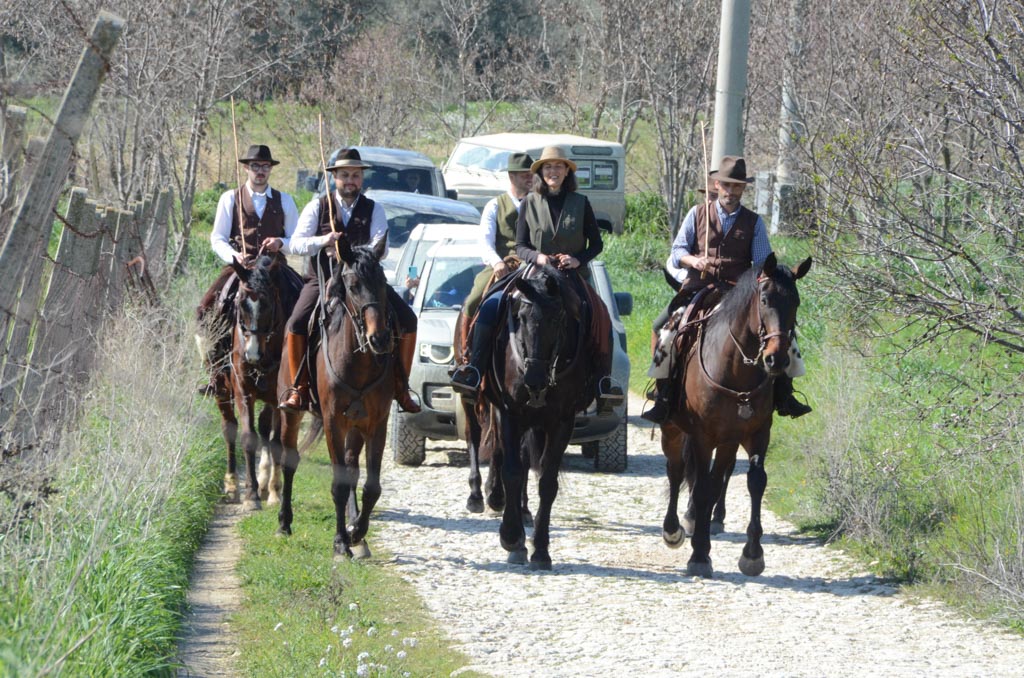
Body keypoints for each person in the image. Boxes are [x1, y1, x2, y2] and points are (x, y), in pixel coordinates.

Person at [642, 155, 811, 424]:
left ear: (744, 189)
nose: (731, 192)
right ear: (716, 185)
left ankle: (784, 394)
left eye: (737, 187)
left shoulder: (754, 222)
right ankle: (664, 393)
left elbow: (762, 263)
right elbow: (677, 252)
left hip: (738, 291)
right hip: (699, 286)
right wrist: (695, 260)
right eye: (727, 185)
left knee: (782, 332)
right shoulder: (697, 214)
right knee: (664, 328)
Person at [452, 145, 622, 411]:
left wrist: (578, 259)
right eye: (548, 167)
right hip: (535, 272)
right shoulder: (530, 202)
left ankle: (603, 381)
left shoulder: (581, 203)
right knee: (492, 305)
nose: (553, 172)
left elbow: (596, 244)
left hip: (570, 273)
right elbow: (520, 245)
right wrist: (538, 257)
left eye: (558, 166)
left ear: (567, 171)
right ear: (541, 172)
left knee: (600, 313)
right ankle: (475, 369)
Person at [277, 148, 421, 414]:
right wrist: (323, 241)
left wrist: (350, 253)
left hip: (363, 281)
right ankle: (299, 388)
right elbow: (294, 244)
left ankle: (401, 386)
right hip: (321, 279)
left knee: (408, 319)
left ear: (362, 178)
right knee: (296, 322)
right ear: (334, 178)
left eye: (355, 175)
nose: (350, 180)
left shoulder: (373, 208)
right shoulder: (318, 206)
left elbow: (382, 245)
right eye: (344, 175)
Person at [196, 144, 302, 397]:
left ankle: (301, 374)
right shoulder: (229, 198)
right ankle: (216, 373)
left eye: (265, 166)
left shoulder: (284, 201)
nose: (260, 171)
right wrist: (235, 256)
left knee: (302, 309)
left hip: (275, 270)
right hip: (240, 269)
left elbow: (298, 241)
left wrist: (280, 243)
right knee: (207, 309)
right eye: (255, 166)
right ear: (246, 168)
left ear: (271, 169)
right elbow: (217, 238)